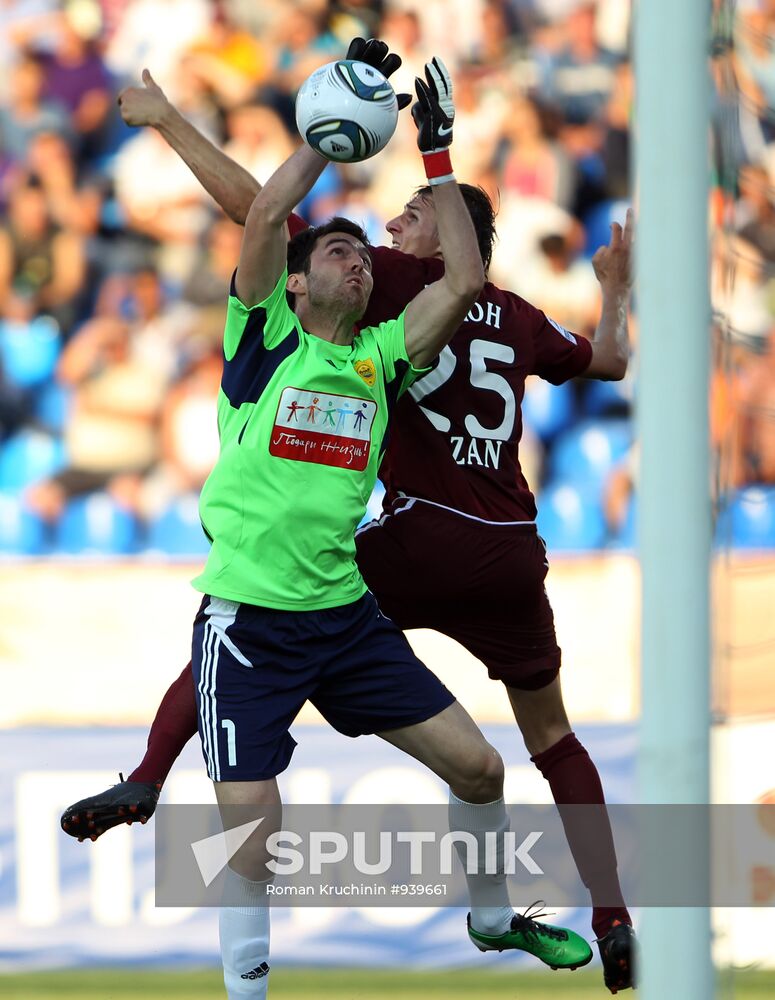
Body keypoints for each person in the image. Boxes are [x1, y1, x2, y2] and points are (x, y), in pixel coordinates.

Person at [62, 40, 634, 992]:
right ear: (291, 283)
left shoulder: (384, 348)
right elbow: (268, 213)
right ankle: (239, 967)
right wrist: (336, 136)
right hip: (271, 615)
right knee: (256, 835)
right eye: (337, 250)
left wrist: (430, 150)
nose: (359, 254)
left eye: (367, 247)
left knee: (483, 773)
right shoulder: (263, 339)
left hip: (356, 603)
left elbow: (455, 281)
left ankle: (489, 919)